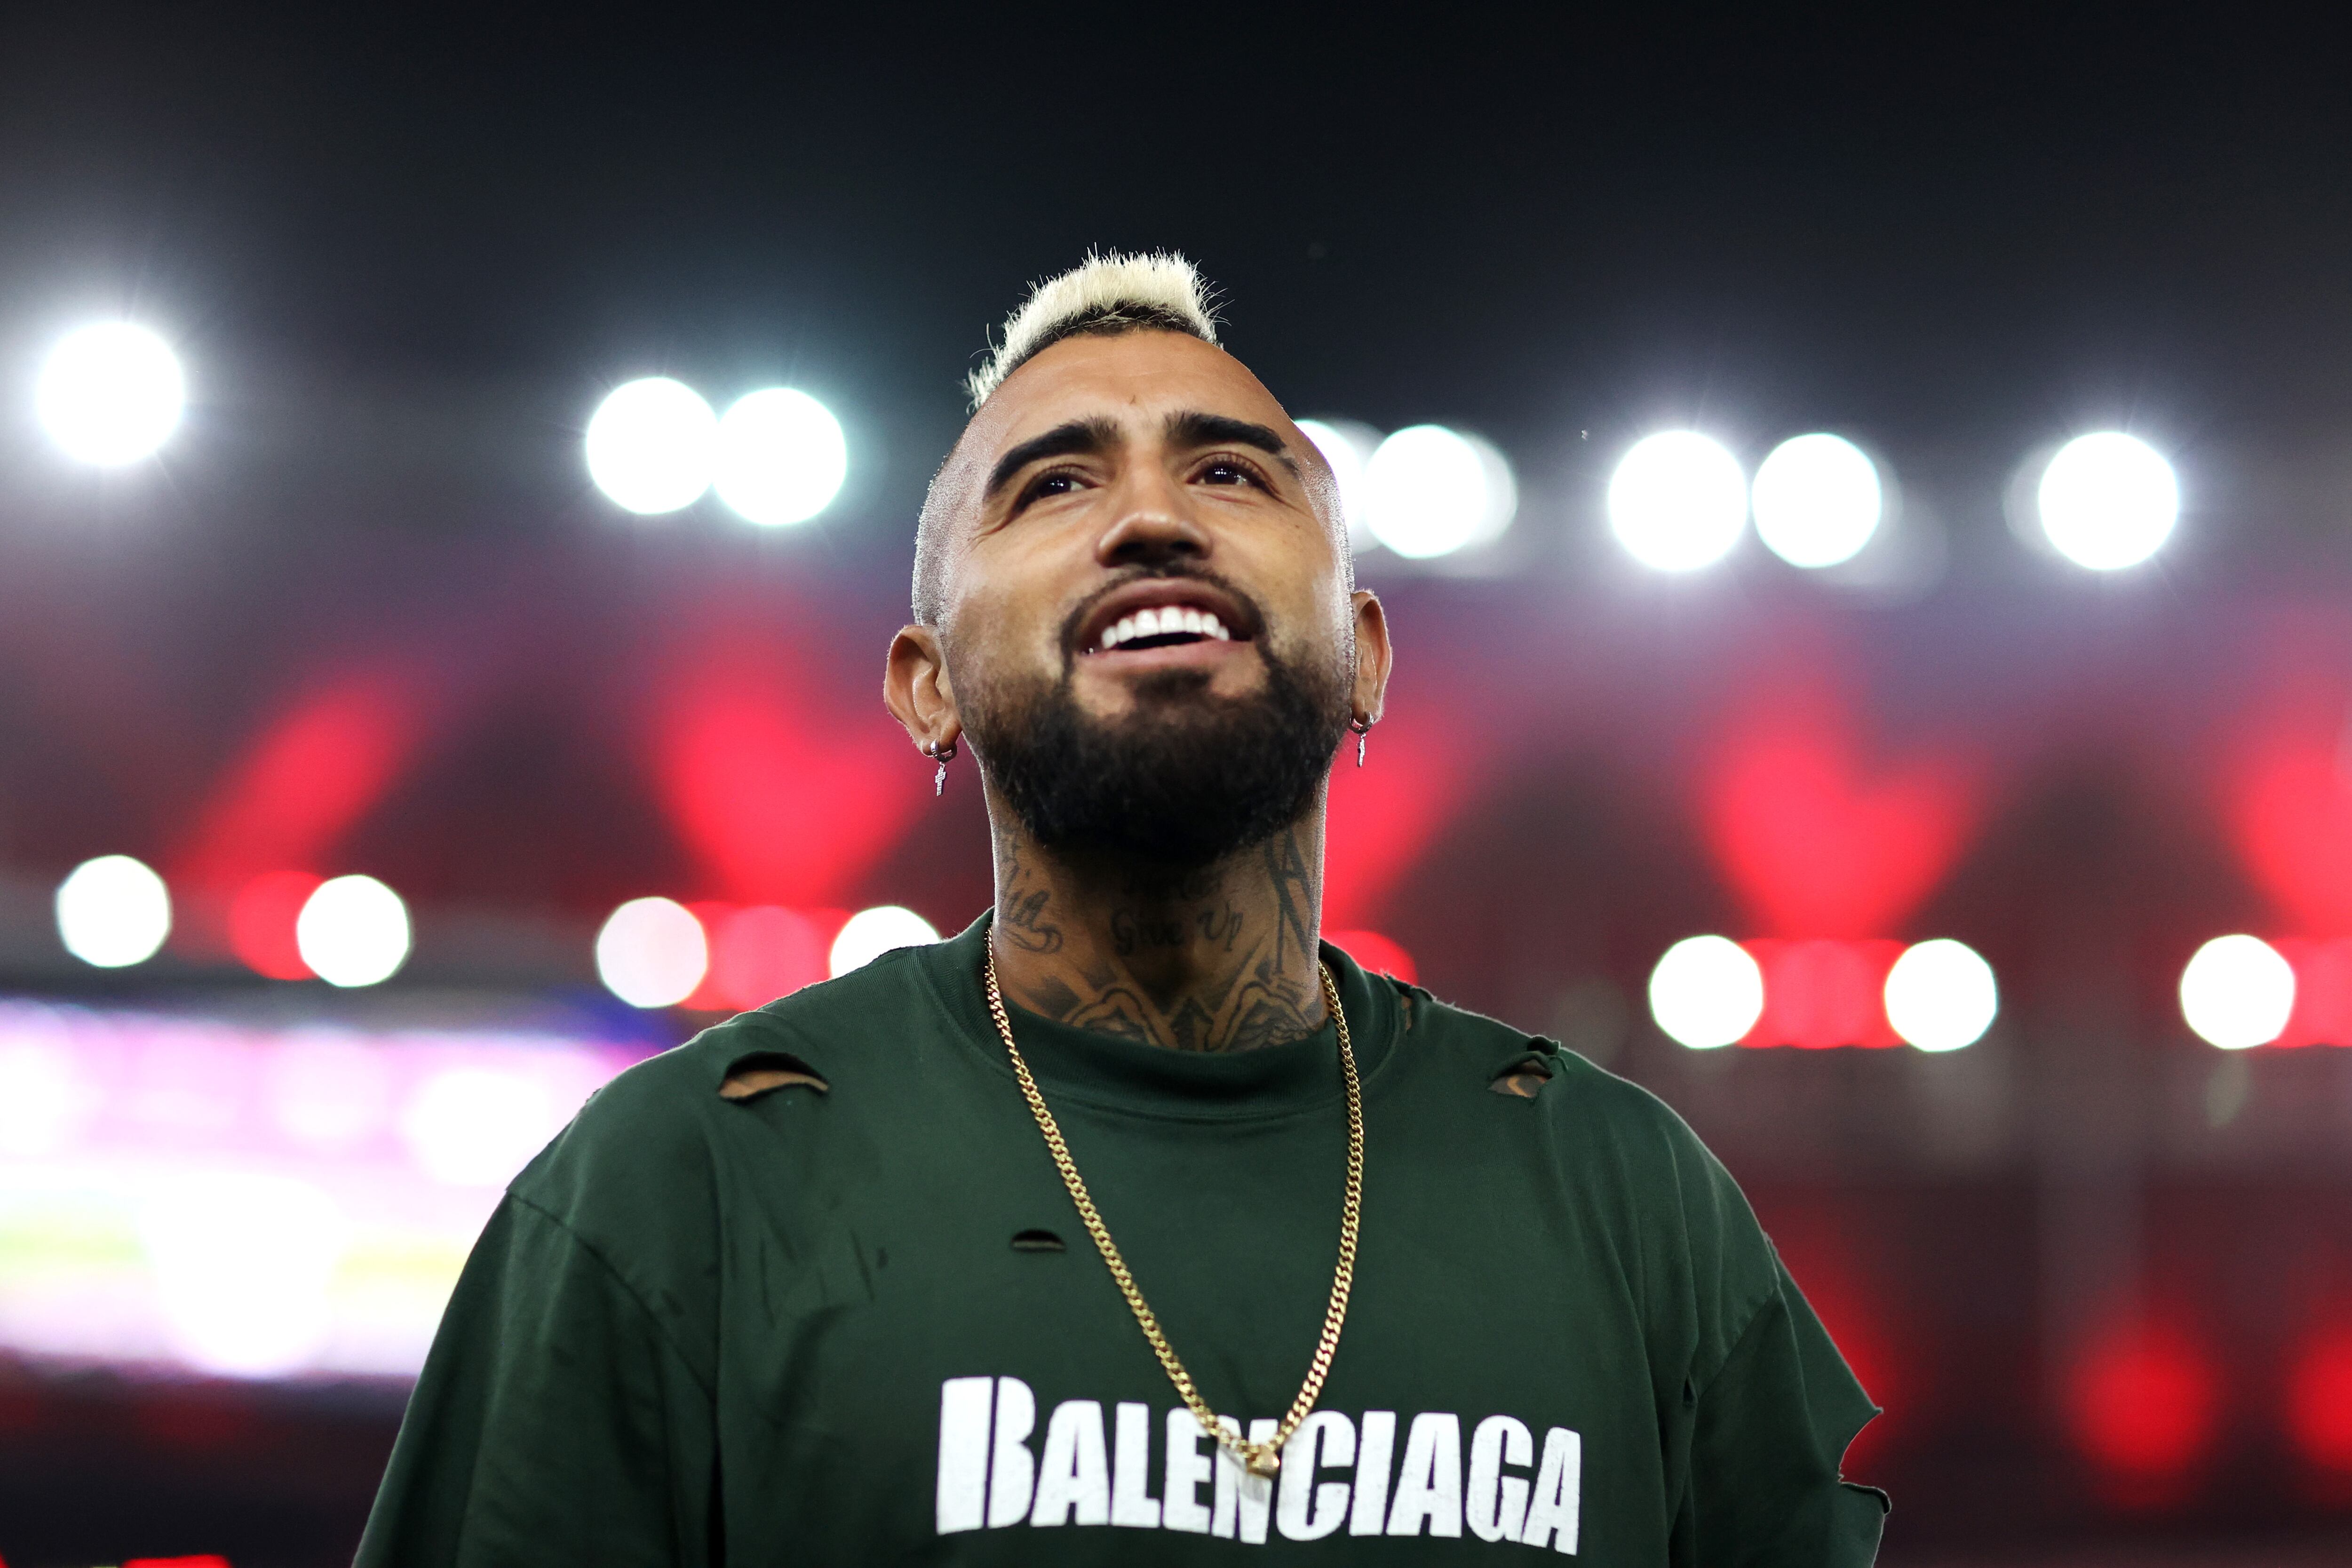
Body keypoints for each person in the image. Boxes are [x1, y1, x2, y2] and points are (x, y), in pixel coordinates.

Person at [358, 252, 1887, 1564]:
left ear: (1365, 652)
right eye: (1056, 482)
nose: (1151, 520)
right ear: (928, 684)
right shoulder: (679, 1185)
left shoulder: (1627, 1201)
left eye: (1230, 471)